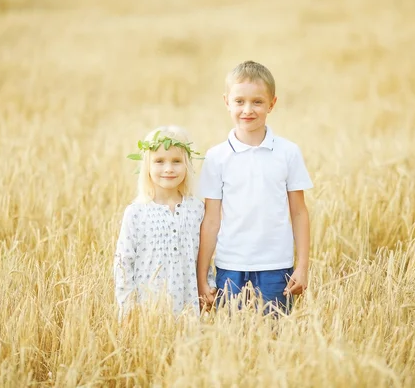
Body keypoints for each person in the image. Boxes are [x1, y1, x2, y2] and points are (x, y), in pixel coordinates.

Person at [197, 60, 313, 314]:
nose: (247, 109)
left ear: (272, 103)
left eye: (257, 102)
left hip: (276, 266)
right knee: (231, 339)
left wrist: (301, 267)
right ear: (226, 102)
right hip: (229, 266)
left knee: (275, 338)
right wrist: (202, 276)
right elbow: (211, 220)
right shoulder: (216, 156)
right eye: (239, 101)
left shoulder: (288, 152)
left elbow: (299, 212)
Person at [114, 125, 214, 321]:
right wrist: (128, 306)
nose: (168, 169)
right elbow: (123, 262)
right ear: (147, 166)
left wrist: (208, 284)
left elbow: (205, 256)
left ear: (187, 165)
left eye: (176, 161)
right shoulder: (136, 212)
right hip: (147, 310)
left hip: (188, 307)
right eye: (159, 161)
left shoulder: (196, 210)